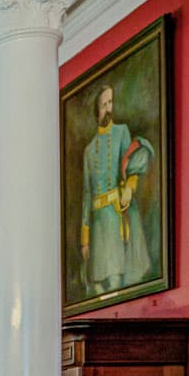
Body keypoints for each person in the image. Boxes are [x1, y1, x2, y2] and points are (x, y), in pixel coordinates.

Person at [80, 83, 156, 297]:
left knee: (117, 279)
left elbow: (128, 163)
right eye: (104, 104)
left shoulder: (121, 132)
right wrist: (85, 239)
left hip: (116, 212)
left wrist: (130, 187)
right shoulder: (88, 150)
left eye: (110, 102)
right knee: (99, 284)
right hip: (97, 222)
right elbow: (87, 194)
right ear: (97, 109)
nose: (109, 108)